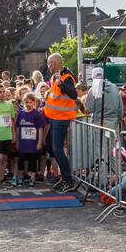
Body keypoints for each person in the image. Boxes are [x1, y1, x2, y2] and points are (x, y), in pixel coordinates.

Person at [43, 53, 78, 193]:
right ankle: (64, 178)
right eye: (48, 63)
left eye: (51, 63)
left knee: (57, 149)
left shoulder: (67, 77)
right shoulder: (55, 77)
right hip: (54, 118)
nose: (49, 65)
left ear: (58, 63)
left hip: (61, 118)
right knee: (54, 149)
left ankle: (68, 180)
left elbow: (74, 94)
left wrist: (61, 83)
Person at [15, 94, 46, 187]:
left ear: (34, 102)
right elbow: (17, 128)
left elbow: (40, 129)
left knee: (33, 161)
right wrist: (17, 141)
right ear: (23, 103)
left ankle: (32, 179)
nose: (28, 104)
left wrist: (40, 142)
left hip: (33, 143)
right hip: (23, 143)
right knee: (20, 161)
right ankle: (20, 177)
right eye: (26, 102)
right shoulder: (21, 113)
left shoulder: (37, 114)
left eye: (30, 102)